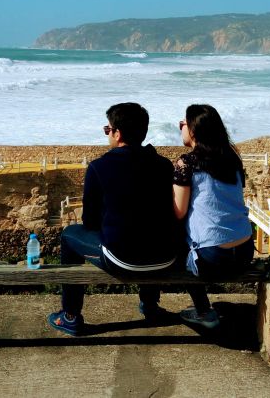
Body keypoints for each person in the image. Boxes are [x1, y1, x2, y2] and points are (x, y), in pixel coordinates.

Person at [47, 102, 181, 336]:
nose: (107, 134)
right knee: (149, 229)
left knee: (69, 235)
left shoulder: (100, 167)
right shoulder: (163, 165)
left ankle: (70, 315)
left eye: (108, 130)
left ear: (118, 134)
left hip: (123, 261)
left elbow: (89, 222)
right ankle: (150, 305)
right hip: (165, 258)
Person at [173, 104, 254, 329]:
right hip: (245, 250)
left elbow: (178, 211)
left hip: (214, 256)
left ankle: (203, 311)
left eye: (182, 124)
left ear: (193, 130)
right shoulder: (232, 159)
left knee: (176, 240)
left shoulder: (186, 163)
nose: (180, 128)